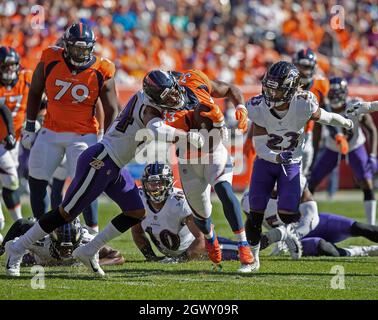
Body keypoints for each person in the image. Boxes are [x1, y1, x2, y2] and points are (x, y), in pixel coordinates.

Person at [4, 69, 205, 277]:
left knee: (136, 212)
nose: (173, 97)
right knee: (66, 213)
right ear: (154, 96)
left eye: (171, 91)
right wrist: (187, 136)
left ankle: (89, 250)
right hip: (100, 160)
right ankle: (17, 247)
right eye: (166, 95)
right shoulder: (149, 109)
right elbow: (157, 130)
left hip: (115, 164)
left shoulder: (146, 94)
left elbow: (170, 82)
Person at [246, 61, 354, 271]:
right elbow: (259, 146)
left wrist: (346, 123)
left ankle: (285, 233)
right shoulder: (258, 107)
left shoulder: (304, 103)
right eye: (268, 87)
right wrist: (277, 157)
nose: (270, 93)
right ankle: (252, 260)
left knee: (288, 212)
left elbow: (326, 116)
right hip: (266, 163)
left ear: (289, 89)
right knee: (255, 212)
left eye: (275, 89)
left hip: (292, 163)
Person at [20, 23, 117, 228]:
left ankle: (91, 232)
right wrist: (29, 125)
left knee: (87, 184)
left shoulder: (102, 69)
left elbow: (111, 109)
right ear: (66, 46)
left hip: (83, 135)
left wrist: (106, 139)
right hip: (50, 131)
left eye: (85, 48)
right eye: (76, 48)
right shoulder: (51, 58)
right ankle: (41, 232)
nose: (80, 53)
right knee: (37, 179)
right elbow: (35, 91)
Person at [162, 69, 254, 272]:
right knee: (202, 216)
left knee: (224, 191)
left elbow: (230, 88)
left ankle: (243, 246)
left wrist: (240, 107)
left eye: (170, 92)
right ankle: (210, 239)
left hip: (215, 152)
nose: (170, 98)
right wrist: (218, 122)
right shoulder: (162, 113)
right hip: (188, 159)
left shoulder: (196, 80)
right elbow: (172, 136)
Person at [308, 77, 377, 225]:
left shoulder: (355, 105)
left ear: (344, 93)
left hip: (355, 146)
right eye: (331, 93)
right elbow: (316, 137)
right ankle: (307, 219)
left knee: (366, 182)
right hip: (332, 147)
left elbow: (372, 130)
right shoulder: (322, 108)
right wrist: (312, 161)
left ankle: (371, 225)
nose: (333, 96)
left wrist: (372, 155)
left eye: (336, 93)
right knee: (312, 181)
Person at [131, 163, 206, 262]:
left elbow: (203, 240)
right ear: (145, 184)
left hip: (199, 249)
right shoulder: (139, 199)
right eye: (152, 183)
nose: (156, 187)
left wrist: (179, 260)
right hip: (172, 252)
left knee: (232, 252)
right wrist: (151, 257)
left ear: (169, 183)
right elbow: (137, 232)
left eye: (160, 183)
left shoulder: (180, 202)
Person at [0, 218, 124, 266]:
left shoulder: (87, 241)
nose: (67, 251)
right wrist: (3, 249)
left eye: (70, 247)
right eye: (62, 247)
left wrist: (98, 263)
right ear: (53, 240)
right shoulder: (42, 241)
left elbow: (117, 256)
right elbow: (21, 224)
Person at [0, 46, 31, 231]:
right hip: (3, 140)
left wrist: (37, 121)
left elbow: (42, 98)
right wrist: (10, 133)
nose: (10, 70)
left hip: (15, 140)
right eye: (6, 67)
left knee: (6, 182)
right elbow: (3, 110)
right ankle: (20, 224)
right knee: (11, 178)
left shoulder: (26, 79)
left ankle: (16, 224)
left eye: (13, 66)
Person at [292, 48, 330, 175]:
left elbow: (326, 112)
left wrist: (337, 134)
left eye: (308, 66)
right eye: (302, 66)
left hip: (307, 135)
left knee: (302, 176)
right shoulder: (285, 82)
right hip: (284, 132)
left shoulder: (321, 83)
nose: (304, 70)